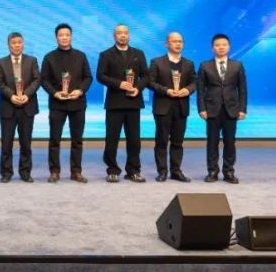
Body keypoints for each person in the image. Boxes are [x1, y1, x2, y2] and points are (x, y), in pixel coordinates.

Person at [96, 24, 150, 183]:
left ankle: (133, 170)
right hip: (114, 103)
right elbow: (100, 76)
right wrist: (119, 84)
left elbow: (146, 76)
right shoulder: (106, 54)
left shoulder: (138, 54)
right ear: (114, 36)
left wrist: (138, 88)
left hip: (133, 101)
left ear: (129, 35)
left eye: (125, 33)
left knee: (134, 140)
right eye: (119, 33)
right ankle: (112, 170)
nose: (123, 35)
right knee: (111, 139)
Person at [40, 23, 92, 183]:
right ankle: (54, 171)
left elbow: (88, 77)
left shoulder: (80, 56)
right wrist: (55, 93)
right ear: (56, 37)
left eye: (67, 35)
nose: (64, 37)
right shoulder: (49, 57)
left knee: (77, 140)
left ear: (71, 37)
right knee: (54, 139)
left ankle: (76, 172)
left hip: (78, 104)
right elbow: (44, 80)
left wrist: (80, 90)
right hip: (58, 104)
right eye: (61, 35)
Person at [197, 33, 248, 184]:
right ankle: (212, 171)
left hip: (231, 109)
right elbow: (200, 90)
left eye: (224, 45)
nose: (221, 47)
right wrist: (201, 108)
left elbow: (242, 89)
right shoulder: (205, 65)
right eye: (218, 45)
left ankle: (229, 171)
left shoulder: (237, 65)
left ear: (229, 47)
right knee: (212, 142)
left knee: (230, 142)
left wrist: (242, 109)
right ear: (212, 48)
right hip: (211, 110)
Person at [147, 31, 195, 182]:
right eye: (174, 41)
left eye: (180, 41)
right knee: (161, 141)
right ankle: (162, 171)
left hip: (181, 107)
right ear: (166, 44)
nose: (178, 44)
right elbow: (150, 82)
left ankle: (176, 171)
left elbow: (194, 82)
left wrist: (187, 90)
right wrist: (166, 90)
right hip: (163, 106)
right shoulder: (157, 62)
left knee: (178, 142)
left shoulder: (189, 63)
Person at [0, 31, 40, 183]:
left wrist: (26, 95)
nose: (17, 45)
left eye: (19, 42)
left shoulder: (32, 61)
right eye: (13, 43)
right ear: (8, 45)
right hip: (8, 107)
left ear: (23, 44)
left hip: (27, 107)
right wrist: (11, 96)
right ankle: (6, 172)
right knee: (6, 143)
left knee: (26, 143)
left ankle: (25, 172)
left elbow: (37, 80)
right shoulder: (0, 63)